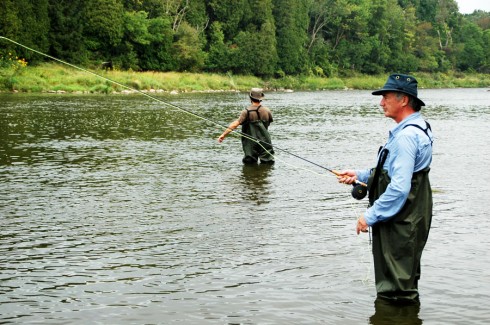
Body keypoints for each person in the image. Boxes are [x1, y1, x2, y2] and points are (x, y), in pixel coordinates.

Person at [338, 73, 434, 304]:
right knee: (405, 277)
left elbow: (399, 188)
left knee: (395, 290)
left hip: (401, 219)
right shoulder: (419, 127)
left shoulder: (406, 137)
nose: (381, 102)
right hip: (411, 215)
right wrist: (360, 175)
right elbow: (395, 169)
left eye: (386, 97)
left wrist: (369, 216)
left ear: (403, 100)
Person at [218, 88, 275, 164]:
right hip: (265, 141)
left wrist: (223, 135)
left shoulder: (246, 112)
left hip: (250, 143)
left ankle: (249, 175)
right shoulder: (267, 111)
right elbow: (268, 124)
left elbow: (235, 124)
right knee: (268, 163)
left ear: (250, 98)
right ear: (261, 98)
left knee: (249, 163)